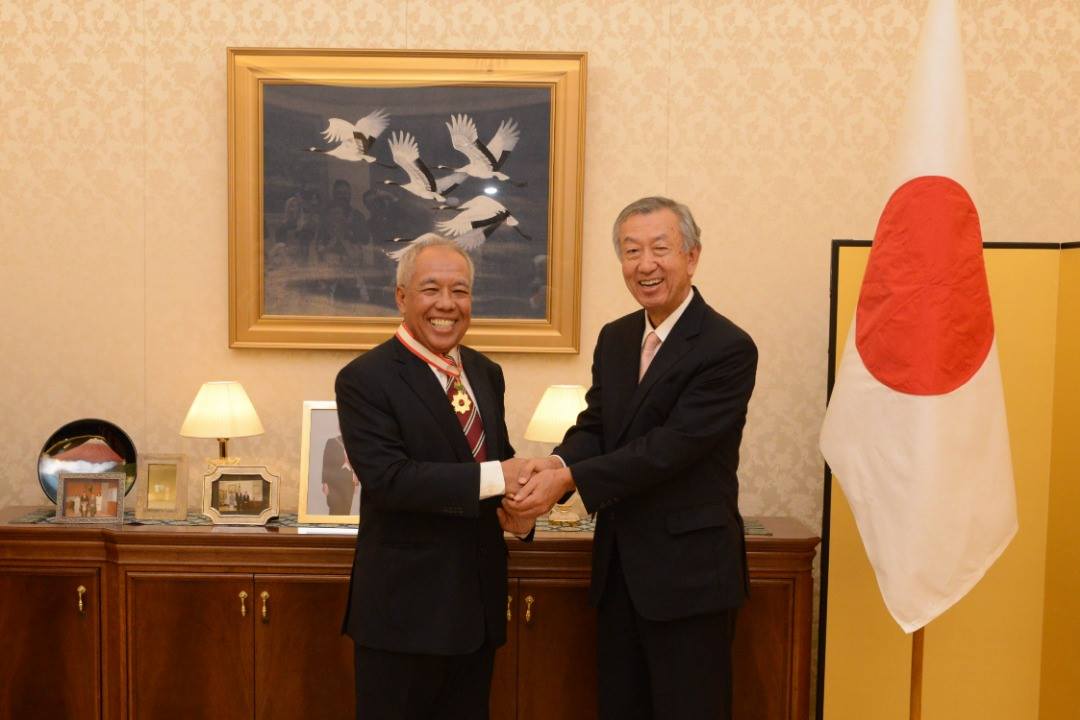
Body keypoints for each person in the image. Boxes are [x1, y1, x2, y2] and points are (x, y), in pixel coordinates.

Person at [507, 196, 758, 719]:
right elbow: (597, 425)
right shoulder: (616, 338)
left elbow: (667, 450)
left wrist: (569, 480)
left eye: (660, 249)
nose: (646, 265)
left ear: (692, 256)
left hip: (691, 579)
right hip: (619, 571)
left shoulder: (727, 347)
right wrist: (555, 465)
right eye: (631, 251)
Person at [335, 234, 533, 720]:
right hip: (404, 620)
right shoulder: (365, 378)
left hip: (478, 616)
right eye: (431, 289)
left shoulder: (485, 372)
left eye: (460, 290)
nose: (447, 304)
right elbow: (390, 480)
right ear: (401, 297)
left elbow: (497, 461)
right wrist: (500, 477)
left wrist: (524, 509)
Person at [321, 434, 359, 515]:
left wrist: (356, 483)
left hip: (349, 481)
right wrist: (325, 482)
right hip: (334, 480)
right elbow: (326, 462)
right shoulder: (332, 442)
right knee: (335, 509)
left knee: (346, 509)